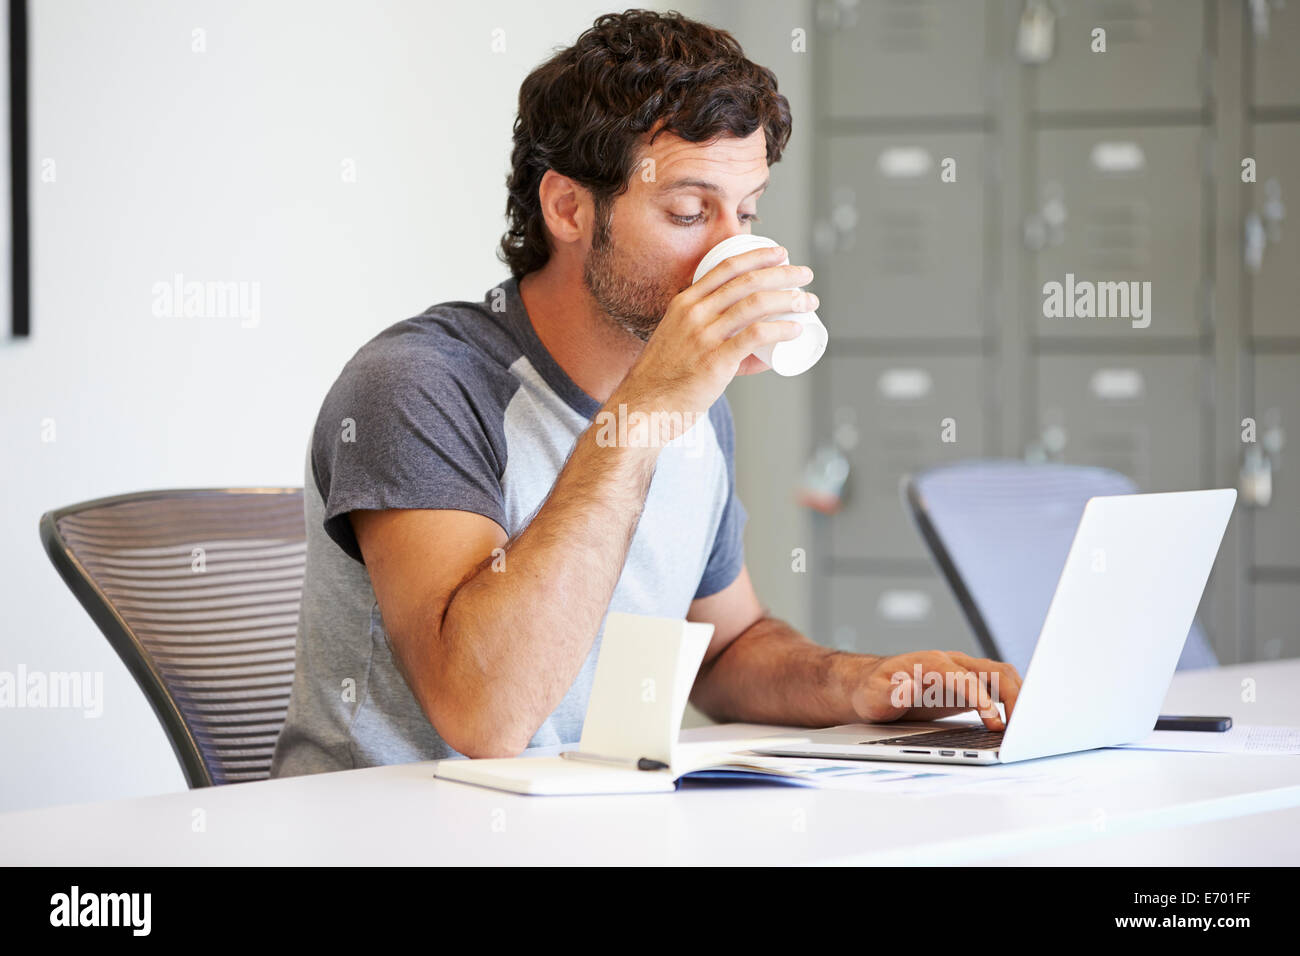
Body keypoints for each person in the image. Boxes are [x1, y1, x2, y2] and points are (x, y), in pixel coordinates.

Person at [270, 9, 1020, 777]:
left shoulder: (691, 404)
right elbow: (484, 714)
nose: (732, 249)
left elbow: (726, 649)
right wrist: (644, 417)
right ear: (568, 207)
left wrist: (862, 683)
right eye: (689, 212)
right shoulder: (419, 386)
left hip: (581, 824)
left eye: (748, 211)